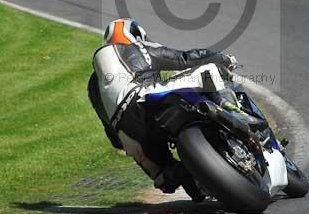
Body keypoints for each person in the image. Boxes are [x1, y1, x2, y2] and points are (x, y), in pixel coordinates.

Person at [87, 18, 238, 201]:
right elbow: (184, 59)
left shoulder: (94, 86)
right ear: (137, 36)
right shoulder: (138, 48)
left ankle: (187, 180)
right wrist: (225, 59)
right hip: (145, 98)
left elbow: (113, 137)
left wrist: (128, 143)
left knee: (163, 174)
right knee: (210, 72)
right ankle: (233, 112)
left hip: (128, 135)